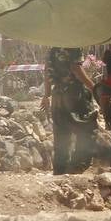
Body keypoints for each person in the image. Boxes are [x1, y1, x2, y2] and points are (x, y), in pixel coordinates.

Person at [40, 46, 98, 175]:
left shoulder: (52, 49)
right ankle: (77, 167)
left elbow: (46, 71)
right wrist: (95, 89)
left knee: (61, 136)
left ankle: (60, 172)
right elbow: (76, 68)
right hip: (75, 95)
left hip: (57, 95)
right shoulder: (72, 45)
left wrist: (47, 94)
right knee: (88, 130)